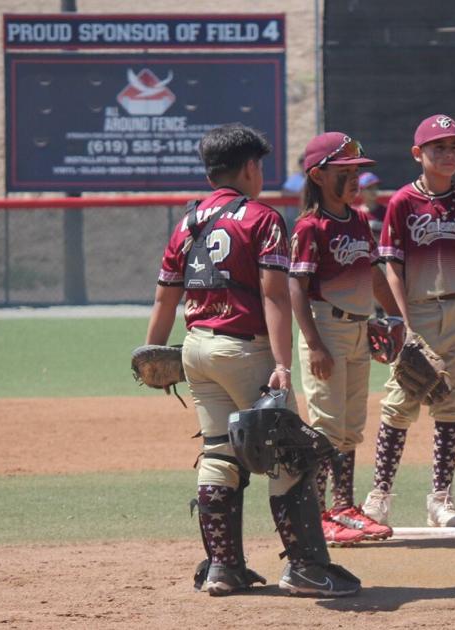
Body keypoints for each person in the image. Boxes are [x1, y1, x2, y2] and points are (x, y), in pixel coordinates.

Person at [143, 123, 359, 598]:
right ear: (249, 167)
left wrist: (153, 354)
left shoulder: (189, 220)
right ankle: (304, 567)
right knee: (292, 455)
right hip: (246, 348)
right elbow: (274, 295)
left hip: (196, 349)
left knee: (220, 454)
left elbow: (164, 299)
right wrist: (282, 364)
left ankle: (223, 567)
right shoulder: (261, 218)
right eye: (259, 164)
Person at [361, 114, 455, 528]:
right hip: (418, 311)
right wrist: (402, 323)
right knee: (400, 401)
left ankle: (440, 497)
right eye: (438, 147)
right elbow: (391, 267)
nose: (449, 154)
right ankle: (380, 494)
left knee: (450, 403)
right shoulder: (403, 203)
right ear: (417, 154)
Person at [289, 132, 398, 546]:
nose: (355, 178)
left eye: (358, 171)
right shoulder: (309, 227)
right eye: (345, 171)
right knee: (325, 427)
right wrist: (314, 343)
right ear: (318, 175)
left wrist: (395, 317)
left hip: (358, 327)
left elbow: (372, 273)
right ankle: (315, 513)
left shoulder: (355, 221)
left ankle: (343, 507)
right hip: (326, 328)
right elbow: (295, 287)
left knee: (351, 426)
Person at [354, 171, 387, 240]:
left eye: (375, 187)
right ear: (360, 191)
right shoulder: (355, 213)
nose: (373, 191)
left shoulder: (386, 211)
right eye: (369, 188)